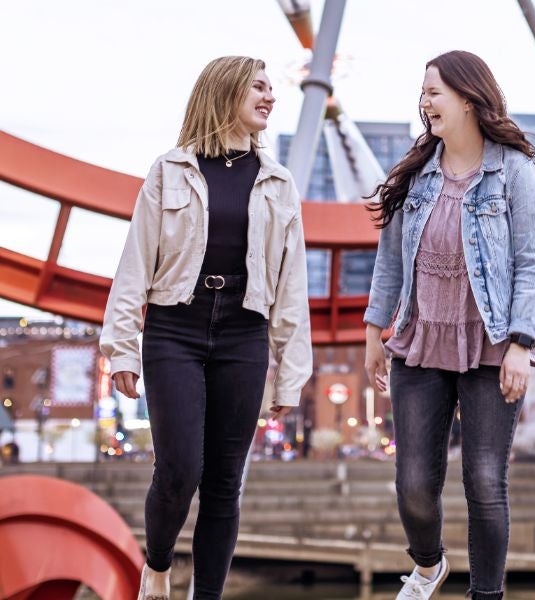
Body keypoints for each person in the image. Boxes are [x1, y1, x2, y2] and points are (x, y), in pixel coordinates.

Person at [99, 56, 312, 599]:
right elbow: (134, 265)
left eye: (271, 89)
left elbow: (291, 288)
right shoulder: (170, 170)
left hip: (244, 332)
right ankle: (158, 565)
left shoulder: (280, 183)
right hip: (176, 327)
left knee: (224, 483)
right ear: (225, 93)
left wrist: (290, 375)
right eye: (258, 88)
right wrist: (121, 349)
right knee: (180, 468)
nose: (269, 96)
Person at [364, 50, 535, 600]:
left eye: (433, 93)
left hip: (491, 346)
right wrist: (375, 332)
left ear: (469, 99)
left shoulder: (514, 172)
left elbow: (533, 265)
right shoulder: (415, 177)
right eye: (423, 94)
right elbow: (390, 262)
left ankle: (485, 596)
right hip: (420, 343)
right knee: (415, 485)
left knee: (485, 483)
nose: (424, 103)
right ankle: (428, 565)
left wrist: (521, 342)